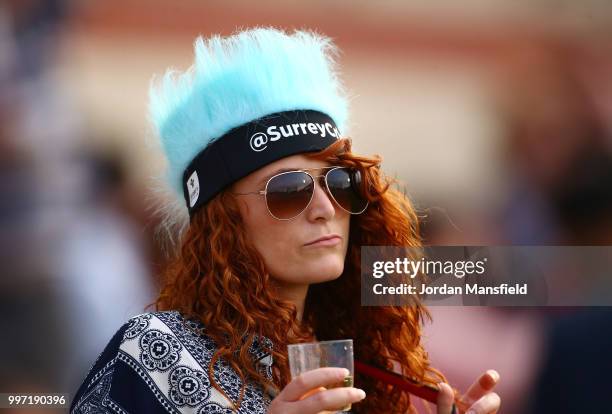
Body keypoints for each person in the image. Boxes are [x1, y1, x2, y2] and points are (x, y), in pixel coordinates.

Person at [70, 27, 501, 414]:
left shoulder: (363, 367)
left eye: (340, 182)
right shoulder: (153, 349)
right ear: (224, 221)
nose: (325, 207)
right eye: (289, 190)